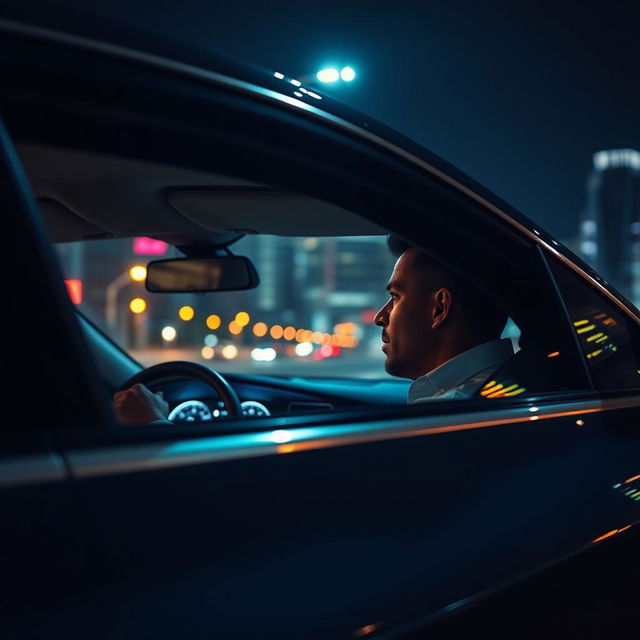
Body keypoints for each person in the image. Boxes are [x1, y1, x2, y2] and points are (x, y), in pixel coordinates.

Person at [375, 235, 513, 402]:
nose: (379, 317)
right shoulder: (513, 380)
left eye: (395, 297)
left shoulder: (442, 415)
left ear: (440, 309)